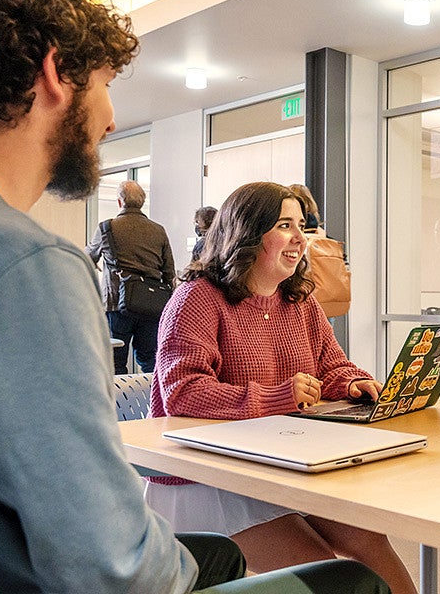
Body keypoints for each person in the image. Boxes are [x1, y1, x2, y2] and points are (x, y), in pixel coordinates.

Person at [0, 0, 390, 593]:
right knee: (352, 583)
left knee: (216, 554)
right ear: (55, 75)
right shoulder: (28, 267)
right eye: (105, 84)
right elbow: (112, 563)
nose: (112, 117)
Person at [147, 181, 418, 594]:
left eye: (301, 225)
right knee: (325, 571)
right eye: (284, 225)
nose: (300, 238)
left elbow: (332, 367)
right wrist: (277, 396)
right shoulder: (197, 299)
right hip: (211, 480)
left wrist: (354, 382)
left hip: (284, 464)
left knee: (370, 541)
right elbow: (182, 393)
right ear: (248, 233)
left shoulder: (299, 301)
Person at [86, 180, 176, 374]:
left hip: (117, 303)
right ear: (142, 202)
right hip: (151, 306)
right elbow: (169, 272)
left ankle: (120, 405)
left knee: (115, 362)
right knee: (150, 360)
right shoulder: (158, 230)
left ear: (120, 202)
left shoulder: (106, 228)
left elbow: (88, 257)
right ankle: (152, 402)